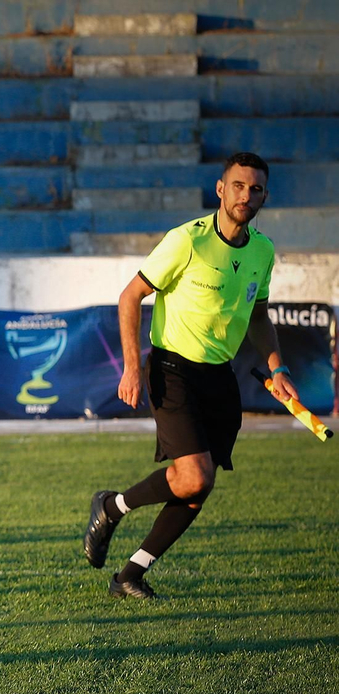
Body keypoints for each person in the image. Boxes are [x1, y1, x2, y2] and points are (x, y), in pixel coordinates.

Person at [83, 152, 295, 600]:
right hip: (173, 368)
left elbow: (259, 315)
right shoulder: (187, 240)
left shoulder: (263, 251)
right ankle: (112, 507)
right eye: (238, 185)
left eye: (255, 188)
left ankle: (128, 574)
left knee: (197, 488)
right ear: (220, 189)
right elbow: (130, 296)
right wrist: (131, 367)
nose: (246, 194)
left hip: (219, 377)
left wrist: (278, 368)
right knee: (195, 476)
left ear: (264, 196)